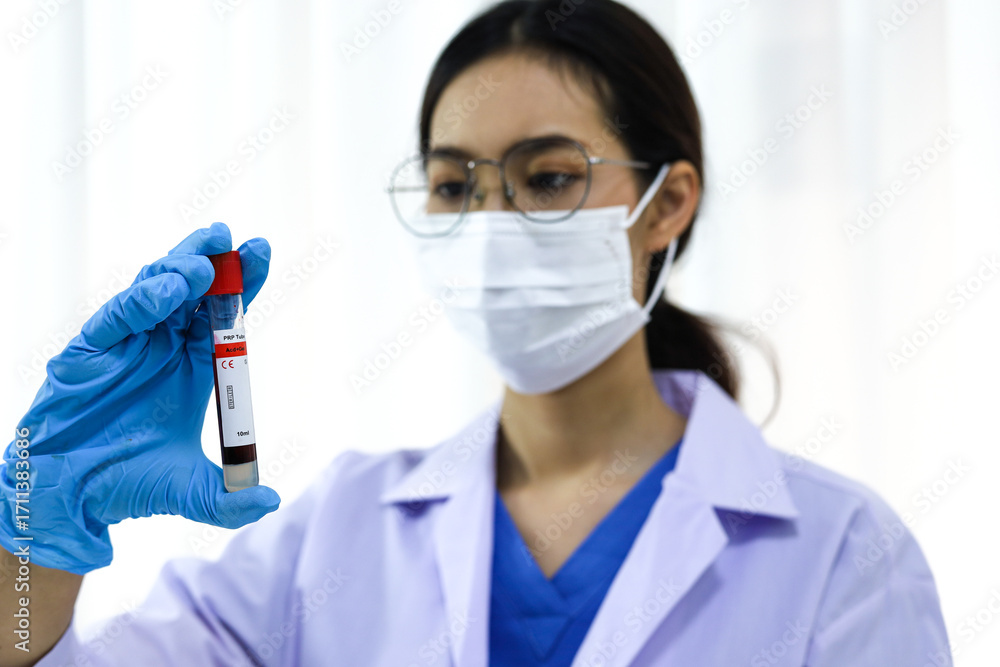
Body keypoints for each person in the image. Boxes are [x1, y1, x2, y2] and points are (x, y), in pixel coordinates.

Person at [0, 1, 952, 665]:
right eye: (455, 186)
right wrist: (38, 536)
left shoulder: (843, 554)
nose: (491, 225)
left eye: (549, 178)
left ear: (668, 204)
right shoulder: (338, 535)